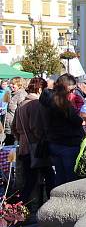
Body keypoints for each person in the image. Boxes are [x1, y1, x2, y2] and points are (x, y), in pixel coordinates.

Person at [12, 77, 53, 209]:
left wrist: (21, 138)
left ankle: (20, 208)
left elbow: (14, 127)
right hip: (36, 147)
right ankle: (48, 207)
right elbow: (36, 128)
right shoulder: (35, 103)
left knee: (30, 180)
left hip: (25, 145)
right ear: (40, 88)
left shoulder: (22, 103)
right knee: (46, 178)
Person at [41, 74, 85, 187]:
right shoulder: (61, 102)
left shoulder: (47, 99)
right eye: (73, 89)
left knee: (60, 178)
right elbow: (76, 121)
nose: (74, 92)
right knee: (71, 181)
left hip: (54, 142)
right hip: (68, 143)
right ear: (67, 88)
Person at [4, 77, 27, 145]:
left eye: (13, 84)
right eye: (10, 83)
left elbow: (22, 112)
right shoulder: (10, 93)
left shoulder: (21, 94)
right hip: (8, 127)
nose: (10, 85)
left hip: (15, 128)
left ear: (19, 84)